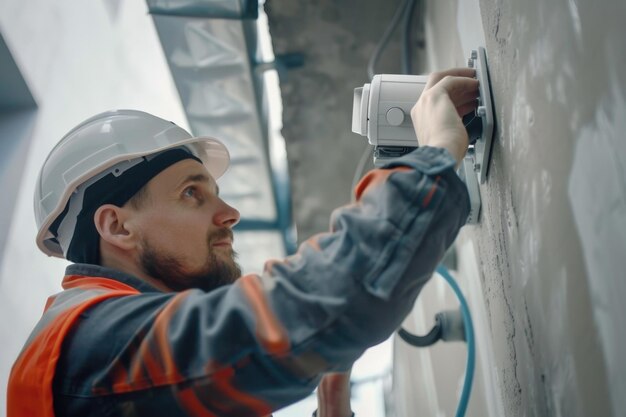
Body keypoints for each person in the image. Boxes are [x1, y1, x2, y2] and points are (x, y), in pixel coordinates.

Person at [7, 68, 477, 417]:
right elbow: (312, 310)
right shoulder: (91, 346)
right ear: (117, 227)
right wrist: (436, 151)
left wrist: (332, 406)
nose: (229, 213)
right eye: (192, 193)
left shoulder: (123, 355)